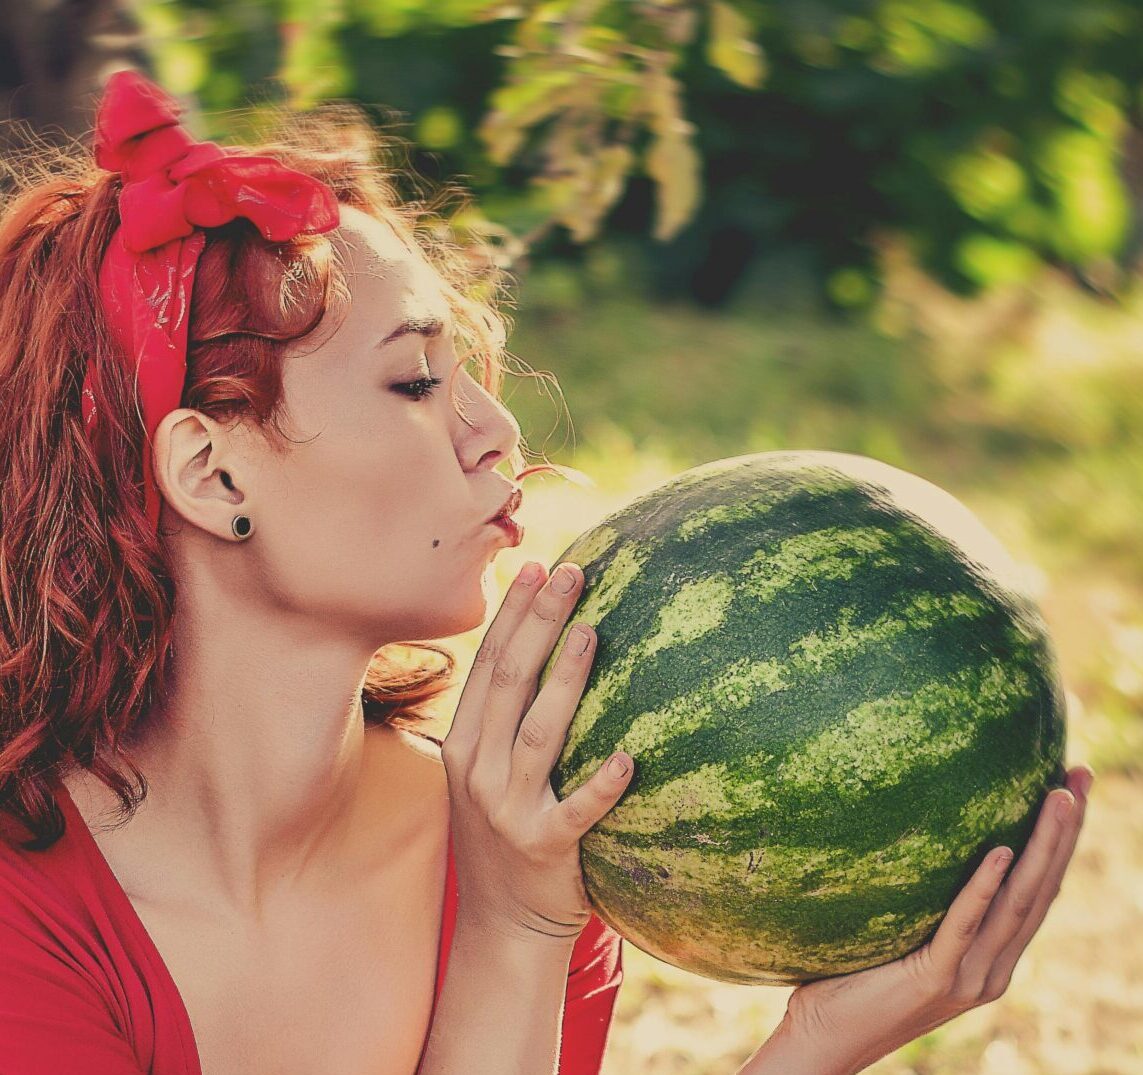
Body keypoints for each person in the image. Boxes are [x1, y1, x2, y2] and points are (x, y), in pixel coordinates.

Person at [0, 70, 1090, 1075]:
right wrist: (510, 929)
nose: (496, 430)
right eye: (418, 383)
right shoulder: (26, 912)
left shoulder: (523, 835)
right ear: (209, 469)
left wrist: (813, 1045)